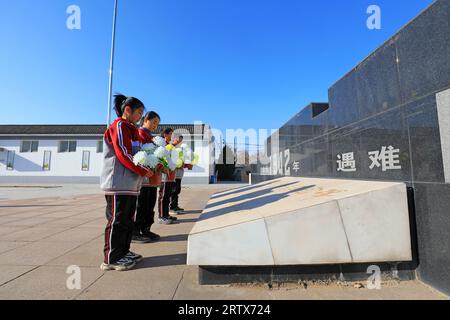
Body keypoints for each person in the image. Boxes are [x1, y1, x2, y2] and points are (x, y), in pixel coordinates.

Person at [100, 94, 154, 271]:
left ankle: (124, 251)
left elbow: (138, 154)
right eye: (139, 113)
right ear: (127, 110)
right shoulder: (120, 125)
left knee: (128, 220)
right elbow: (123, 152)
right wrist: (142, 170)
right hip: (118, 182)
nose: (140, 117)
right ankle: (111, 257)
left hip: (130, 184)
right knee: (117, 220)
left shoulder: (131, 128)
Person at [132, 111, 162, 243]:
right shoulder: (140, 134)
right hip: (144, 177)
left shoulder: (152, 137)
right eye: (154, 122)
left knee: (150, 204)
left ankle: (146, 229)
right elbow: (138, 154)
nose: (155, 125)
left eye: (157, 123)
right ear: (146, 120)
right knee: (142, 205)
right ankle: (136, 231)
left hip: (152, 176)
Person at [158, 128, 178, 225]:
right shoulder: (162, 145)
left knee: (168, 195)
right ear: (165, 135)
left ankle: (166, 214)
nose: (172, 136)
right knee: (164, 196)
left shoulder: (170, 146)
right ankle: (162, 216)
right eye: (171, 134)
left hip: (171, 173)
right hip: (164, 174)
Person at [169, 134, 191, 214]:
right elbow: (171, 161)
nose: (179, 142)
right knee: (173, 190)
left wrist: (186, 164)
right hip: (173, 173)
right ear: (174, 139)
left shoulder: (180, 149)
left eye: (181, 141)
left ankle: (175, 206)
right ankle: (171, 207)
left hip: (179, 173)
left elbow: (181, 160)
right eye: (178, 140)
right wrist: (179, 164)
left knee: (177, 190)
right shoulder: (170, 148)